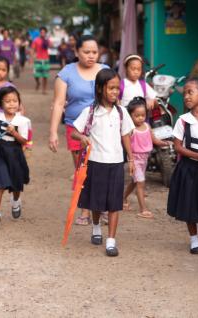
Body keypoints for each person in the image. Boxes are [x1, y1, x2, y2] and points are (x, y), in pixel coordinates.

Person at [70, 68, 135, 257]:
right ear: (100, 89)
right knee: (97, 201)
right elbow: (75, 131)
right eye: (111, 88)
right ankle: (96, 225)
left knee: (114, 203)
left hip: (116, 163)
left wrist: (130, 158)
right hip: (95, 162)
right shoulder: (90, 112)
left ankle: (111, 241)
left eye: (117, 88)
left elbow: (125, 136)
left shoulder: (122, 113)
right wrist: (82, 137)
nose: (115, 92)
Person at [49, 35, 109, 226]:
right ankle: (84, 210)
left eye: (94, 52)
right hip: (75, 128)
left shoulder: (106, 71)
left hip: (102, 128)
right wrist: (52, 132)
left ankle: (101, 207)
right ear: (76, 52)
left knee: (102, 168)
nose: (91, 56)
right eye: (86, 52)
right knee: (82, 169)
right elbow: (58, 103)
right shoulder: (66, 73)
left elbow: (115, 100)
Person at [167, 77, 198, 255]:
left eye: (191, 92)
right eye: (185, 93)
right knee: (189, 204)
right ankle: (194, 238)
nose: (186, 96)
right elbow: (178, 146)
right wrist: (197, 155)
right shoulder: (183, 120)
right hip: (188, 168)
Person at [0, 86, 31, 228]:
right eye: (7, 101)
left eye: (15, 101)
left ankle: (16, 200)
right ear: (0, 103)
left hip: (15, 152)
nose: (12, 104)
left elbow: (24, 141)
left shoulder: (22, 121)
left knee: (16, 183)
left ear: (19, 102)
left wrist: (14, 133)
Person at [123, 97, 170, 219]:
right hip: (135, 160)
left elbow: (154, 140)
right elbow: (126, 143)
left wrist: (164, 143)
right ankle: (143, 209)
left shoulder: (147, 126)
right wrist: (130, 159)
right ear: (130, 116)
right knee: (140, 183)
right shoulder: (130, 129)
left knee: (135, 182)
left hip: (144, 159)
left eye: (143, 115)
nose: (140, 118)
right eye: (137, 115)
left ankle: (122, 199)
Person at [30, 26, 52, 94]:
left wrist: (47, 40)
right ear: (40, 33)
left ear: (45, 33)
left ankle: (44, 89)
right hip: (38, 59)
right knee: (36, 75)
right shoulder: (36, 40)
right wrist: (31, 58)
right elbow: (32, 49)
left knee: (45, 76)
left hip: (46, 59)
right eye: (41, 32)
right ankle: (38, 83)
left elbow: (51, 46)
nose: (42, 33)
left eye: (44, 32)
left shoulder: (47, 40)